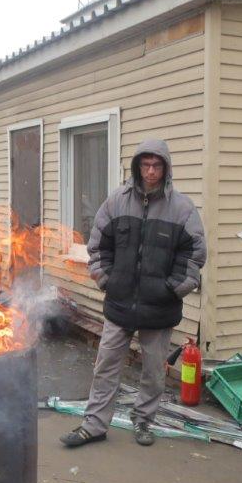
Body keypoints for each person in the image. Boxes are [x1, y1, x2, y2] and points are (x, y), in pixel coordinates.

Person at [60, 139, 206, 448]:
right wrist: (107, 281)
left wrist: (172, 290)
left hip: (159, 307)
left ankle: (144, 421)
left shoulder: (182, 208)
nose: (151, 171)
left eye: (157, 166)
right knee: (106, 365)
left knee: (153, 371)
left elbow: (193, 256)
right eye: (145, 165)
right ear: (137, 166)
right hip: (120, 303)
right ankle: (94, 424)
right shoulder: (116, 202)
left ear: (165, 168)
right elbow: (98, 246)